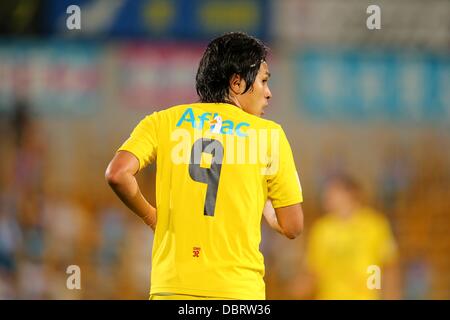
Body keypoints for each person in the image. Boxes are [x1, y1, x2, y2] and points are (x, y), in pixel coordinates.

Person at [105, 32, 304, 300]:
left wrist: (150, 216)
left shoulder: (162, 121)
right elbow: (293, 226)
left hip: (172, 288)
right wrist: (268, 208)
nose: (268, 93)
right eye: (264, 81)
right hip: (237, 292)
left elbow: (117, 174)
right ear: (237, 82)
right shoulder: (269, 135)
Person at [292, 174, 400, 299]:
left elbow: (389, 267)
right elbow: (313, 271)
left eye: (332, 192)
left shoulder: (375, 225)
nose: (326, 197)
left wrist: (391, 295)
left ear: (350, 194)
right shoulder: (321, 229)